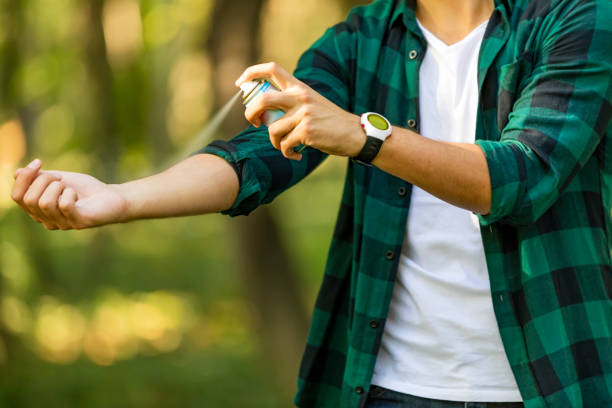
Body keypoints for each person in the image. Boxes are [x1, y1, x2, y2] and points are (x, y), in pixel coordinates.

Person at [10, 0, 612, 406]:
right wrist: (116, 199)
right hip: (388, 387)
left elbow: (521, 174)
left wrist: (363, 134)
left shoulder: (578, 17)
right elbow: (255, 158)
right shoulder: (360, 40)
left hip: (552, 381)